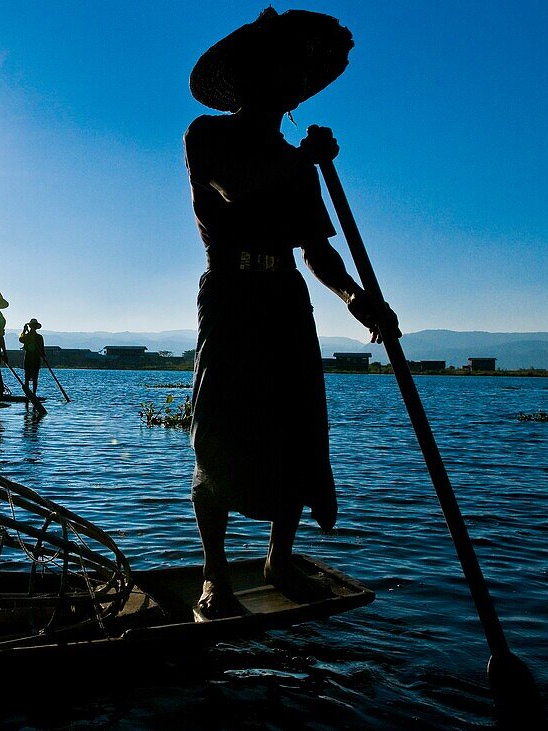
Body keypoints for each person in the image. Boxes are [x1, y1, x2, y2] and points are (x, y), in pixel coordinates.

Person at [184, 8, 400, 621]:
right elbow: (238, 187)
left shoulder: (297, 161)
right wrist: (303, 161)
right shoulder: (209, 136)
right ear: (246, 83)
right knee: (220, 430)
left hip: (285, 299)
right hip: (231, 295)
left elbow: (318, 251)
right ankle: (215, 578)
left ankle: (279, 557)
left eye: (284, 76)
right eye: (265, 73)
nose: (275, 86)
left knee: (297, 427)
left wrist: (361, 300)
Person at [18, 318, 47, 397]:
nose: (33, 327)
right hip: (28, 358)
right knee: (27, 377)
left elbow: (42, 348)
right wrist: (24, 331)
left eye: (34, 326)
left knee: (35, 378)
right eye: (32, 326)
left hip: (36, 359)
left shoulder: (39, 337)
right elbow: (21, 339)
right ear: (30, 326)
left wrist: (44, 358)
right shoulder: (27, 336)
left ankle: (34, 394)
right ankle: (27, 394)